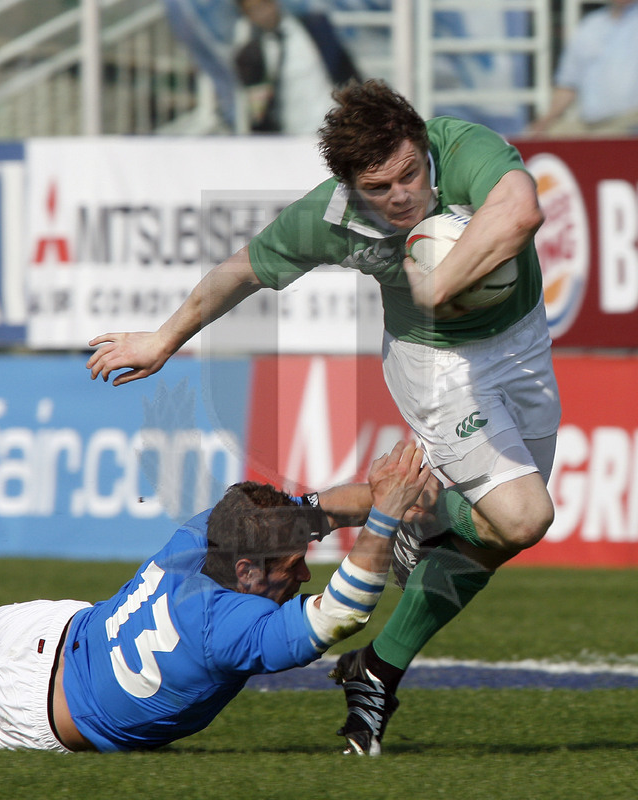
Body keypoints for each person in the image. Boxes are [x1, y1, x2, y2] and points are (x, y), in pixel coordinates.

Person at [86, 79, 561, 755]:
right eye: (379, 188)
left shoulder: (462, 148)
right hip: (437, 366)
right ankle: (404, 515)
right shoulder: (330, 217)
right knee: (524, 515)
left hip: (524, 344)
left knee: (494, 535)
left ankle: (377, 668)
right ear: (350, 187)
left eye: (410, 173)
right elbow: (240, 270)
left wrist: (437, 280)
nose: (402, 196)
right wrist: (164, 339)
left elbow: (520, 210)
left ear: (422, 143)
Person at [0, 440, 428, 752]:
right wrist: (385, 515)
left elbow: (325, 510)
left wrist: (394, 492)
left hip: (45, 626)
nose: (303, 574)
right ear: (246, 572)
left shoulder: (208, 531)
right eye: (293, 565)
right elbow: (340, 613)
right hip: (29, 706)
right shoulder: (225, 630)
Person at [233, 0, 360, 134]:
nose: (262, 13)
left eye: (264, 5)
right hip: (290, 134)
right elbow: (258, 109)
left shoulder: (315, 27)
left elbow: (346, 70)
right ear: (246, 15)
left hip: (333, 123)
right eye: (253, 10)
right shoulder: (252, 53)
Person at [528, 0, 638, 137]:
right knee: (549, 136)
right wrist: (543, 123)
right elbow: (568, 84)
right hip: (589, 124)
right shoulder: (590, 24)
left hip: (629, 122)